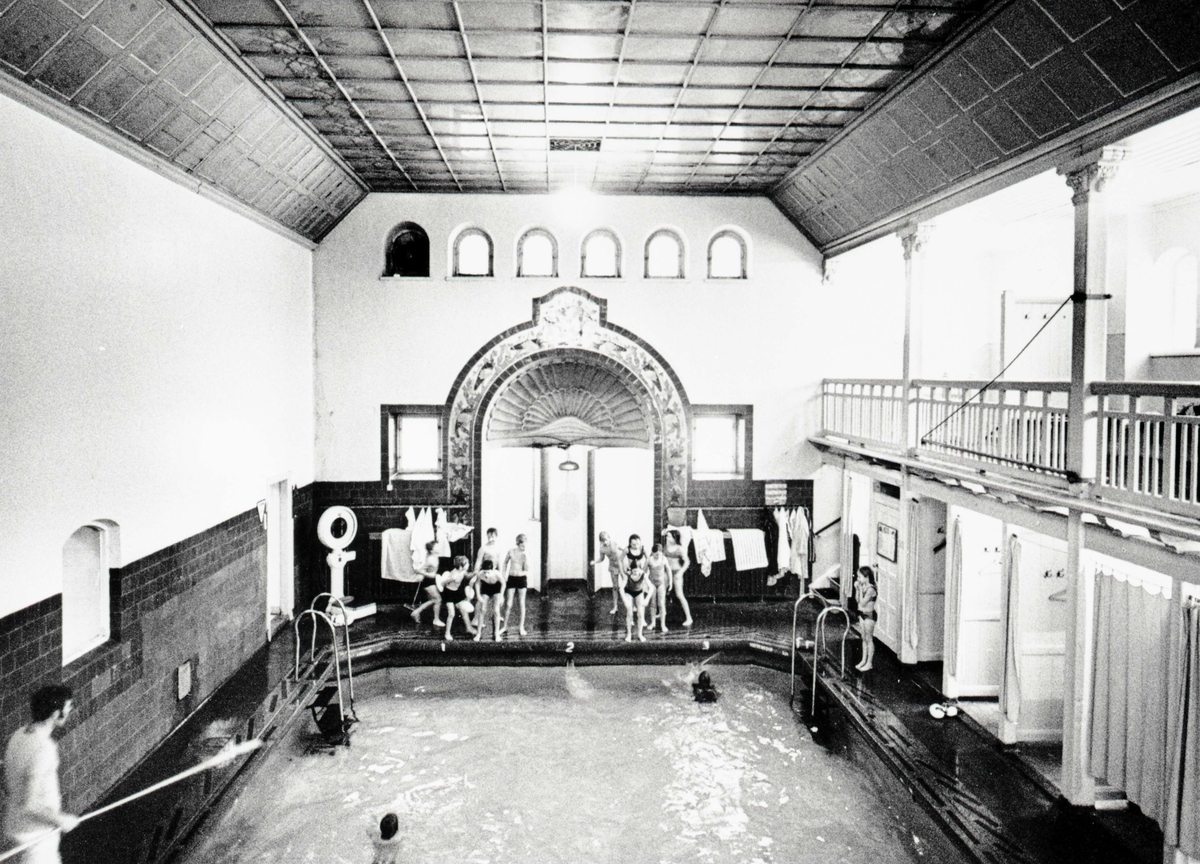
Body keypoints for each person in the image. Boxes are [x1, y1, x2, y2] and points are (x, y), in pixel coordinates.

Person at [2, 685, 79, 864]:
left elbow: (7, 781)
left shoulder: (19, 735)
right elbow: (30, 805)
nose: (70, 710)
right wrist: (62, 820)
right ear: (55, 714)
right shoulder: (44, 748)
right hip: (37, 840)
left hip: (15, 830)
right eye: (68, 706)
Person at [472, 528, 504, 641]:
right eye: (489, 536)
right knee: (482, 606)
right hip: (485, 574)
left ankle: (497, 632)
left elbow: (500, 563)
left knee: (496, 609)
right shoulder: (483, 548)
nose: (491, 539)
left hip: (494, 576)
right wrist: (476, 573)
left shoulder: (498, 548)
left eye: (493, 536)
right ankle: (476, 622)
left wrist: (501, 574)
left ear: (496, 536)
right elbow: (478, 561)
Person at [620, 534, 651, 642]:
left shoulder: (642, 573)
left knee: (640, 613)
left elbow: (648, 559)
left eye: (638, 543)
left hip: (639, 586)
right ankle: (629, 634)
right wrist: (623, 572)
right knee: (629, 612)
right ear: (630, 544)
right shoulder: (627, 551)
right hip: (629, 584)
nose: (636, 546)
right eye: (633, 544)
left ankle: (640, 634)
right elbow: (621, 588)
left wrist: (645, 571)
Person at [437, 556, 476, 642]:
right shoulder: (454, 575)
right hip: (449, 594)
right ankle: (447, 633)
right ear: (461, 566)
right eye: (467, 563)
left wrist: (475, 573)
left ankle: (468, 628)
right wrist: (446, 583)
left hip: (456, 593)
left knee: (463, 610)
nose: (469, 565)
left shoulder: (463, 571)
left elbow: (467, 576)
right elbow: (442, 583)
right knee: (451, 613)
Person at [662, 528, 694, 628]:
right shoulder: (665, 546)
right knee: (662, 592)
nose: (666, 538)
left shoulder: (680, 548)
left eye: (669, 536)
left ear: (674, 538)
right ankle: (661, 612)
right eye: (666, 536)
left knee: (679, 594)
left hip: (676, 572)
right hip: (667, 572)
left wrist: (680, 572)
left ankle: (689, 618)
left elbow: (687, 562)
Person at [500, 533, 530, 637]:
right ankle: (504, 626)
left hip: (522, 578)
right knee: (508, 604)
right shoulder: (511, 551)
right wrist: (503, 575)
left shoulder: (526, 554)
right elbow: (505, 563)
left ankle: (521, 627)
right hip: (512, 578)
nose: (523, 546)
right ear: (518, 543)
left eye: (525, 544)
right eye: (522, 544)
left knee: (521, 603)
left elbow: (526, 569)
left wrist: (526, 557)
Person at [409, 541, 443, 627]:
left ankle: (417, 613)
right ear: (432, 550)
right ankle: (435, 619)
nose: (439, 547)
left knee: (433, 600)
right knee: (437, 599)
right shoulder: (431, 559)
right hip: (428, 581)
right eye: (437, 547)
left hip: (431, 580)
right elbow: (418, 570)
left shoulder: (435, 556)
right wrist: (431, 575)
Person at [590, 531, 625, 615]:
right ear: (601, 541)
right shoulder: (602, 549)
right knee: (615, 587)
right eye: (603, 541)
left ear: (609, 538)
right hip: (613, 567)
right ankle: (615, 607)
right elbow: (601, 559)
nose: (605, 542)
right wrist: (594, 562)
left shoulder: (615, 543)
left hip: (622, 565)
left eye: (606, 539)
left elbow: (625, 550)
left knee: (627, 585)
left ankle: (633, 605)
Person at [854, 566, 878, 672]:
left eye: (859, 577)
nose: (858, 579)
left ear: (866, 577)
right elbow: (857, 600)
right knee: (863, 638)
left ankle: (869, 663)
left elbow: (863, 603)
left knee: (869, 639)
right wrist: (857, 590)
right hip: (862, 615)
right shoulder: (863, 586)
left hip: (869, 616)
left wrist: (859, 589)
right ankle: (863, 660)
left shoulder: (871, 589)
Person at [644, 543, 671, 634]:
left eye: (658, 554)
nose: (657, 556)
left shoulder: (663, 559)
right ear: (652, 553)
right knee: (653, 603)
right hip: (652, 584)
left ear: (662, 553)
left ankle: (663, 624)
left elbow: (669, 570)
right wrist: (644, 582)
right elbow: (643, 572)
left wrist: (670, 582)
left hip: (661, 584)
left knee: (661, 604)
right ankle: (653, 623)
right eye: (655, 554)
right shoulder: (649, 560)